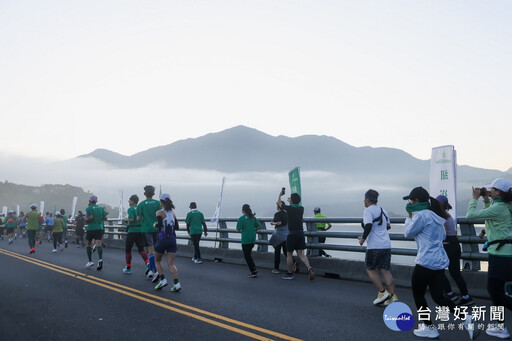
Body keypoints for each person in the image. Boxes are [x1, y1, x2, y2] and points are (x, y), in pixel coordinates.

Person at [403, 186, 476, 339]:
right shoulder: (436, 216)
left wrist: (409, 216)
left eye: (410, 200)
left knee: (418, 295)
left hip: (425, 262)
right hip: (438, 262)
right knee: (438, 297)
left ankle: (429, 327)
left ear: (416, 201)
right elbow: (443, 236)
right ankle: (466, 319)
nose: (409, 203)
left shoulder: (421, 215)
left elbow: (408, 233)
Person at [467, 178, 512, 339]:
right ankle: (499, 326)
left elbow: (471, 215)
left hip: (500, 256)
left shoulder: (499, 207)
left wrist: (474, 198)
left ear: (498, 192)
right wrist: (486, 200)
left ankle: (500, 326)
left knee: (495, 292)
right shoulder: (504, 206)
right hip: (505, 254)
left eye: (491, 189)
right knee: (497, 292)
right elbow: (490, 218)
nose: (488, 191)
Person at [359, 189, 397, 306]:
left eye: (364, 199)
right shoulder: (383, 210)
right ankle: (393, 296)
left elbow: (369, 225)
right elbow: (388, 226)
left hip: (374, 246)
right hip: (386, 244)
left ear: (368, 199)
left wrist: (363, 239)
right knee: (385, 270)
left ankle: (382, 293)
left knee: (370, 269)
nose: (364, 201)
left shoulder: (368, 210)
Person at [435, 195, 473, 306]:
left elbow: (438, 231)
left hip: (447, 246)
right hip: (455, 245)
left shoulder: (441, 216)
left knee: (439, 271)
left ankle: (450, 294)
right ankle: (466, 296)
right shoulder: (447, 215)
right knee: (455, 273)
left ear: (439, 204)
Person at [278, 190, 315, 281]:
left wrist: (280, 194)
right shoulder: (301, 208)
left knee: (289, 254)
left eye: (290, 199)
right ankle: (309, 267)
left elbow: (279, 203)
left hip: (291, 234)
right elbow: (295, 204)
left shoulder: (289, 209)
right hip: (300, 234)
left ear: (291, 201)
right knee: (300, 254)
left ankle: (290, 273)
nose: (289, 199)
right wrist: (292, 201)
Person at [153, 194, 181, 292]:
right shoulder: (173, 213)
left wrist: (155, 224)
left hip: (163, 239)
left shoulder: (159, 212)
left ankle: (162, 280)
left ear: (161, 202)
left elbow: (159, 225)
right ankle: (177, 283)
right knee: (171, 264)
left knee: (157, 260)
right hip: (173, 240)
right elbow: (177, 227)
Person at [138, 185, 161, 279]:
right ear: (154, 194)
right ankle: (157, 270)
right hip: (156, 229)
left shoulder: (141, 204)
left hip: (146, 229)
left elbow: (139, 218)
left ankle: (152, 270)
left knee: (150, 251)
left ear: (144, 194)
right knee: (156, 250)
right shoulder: (158, 203)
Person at [123, 194, 149, 274]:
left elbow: (132, 219)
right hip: (140, 230)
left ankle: (128, 267)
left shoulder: (130, 209)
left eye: (129, 200)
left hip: (132, 230)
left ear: (132, 201)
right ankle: (147, 263)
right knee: (141, 249)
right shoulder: (139, 208)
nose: (128, 201)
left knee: (128, 250)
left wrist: (126, 219)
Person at [236, 204, 261, 278]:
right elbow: (259, 226)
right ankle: (253, 268)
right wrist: (254, 230)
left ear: (243, 210)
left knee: (247, 255)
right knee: (248, 254)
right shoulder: (253, 217)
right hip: (253, 238)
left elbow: (238, 229)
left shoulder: (241, 218)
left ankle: (253, 270)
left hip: (245, 239)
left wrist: (243, 231)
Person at [85, 195, 108, 270]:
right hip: (99, 227)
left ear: (90, 201)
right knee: (99, 244)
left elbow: (90, 217)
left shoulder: (89, 208)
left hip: (91, 227)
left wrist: (86, 220)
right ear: (96, 201)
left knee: (88, 244)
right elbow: (105, 218)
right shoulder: (101, 208)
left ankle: (90, 261)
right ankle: (100, 259)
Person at [270, 201, 288, 274]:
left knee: (277, 251)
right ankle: (294, 262)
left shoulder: (277, 214)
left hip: (279, 235)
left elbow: (278, 222)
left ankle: (276, 268)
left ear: (278, 207)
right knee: (286, 251)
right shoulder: (287, 214)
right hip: (287, 234)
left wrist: (273, 223)